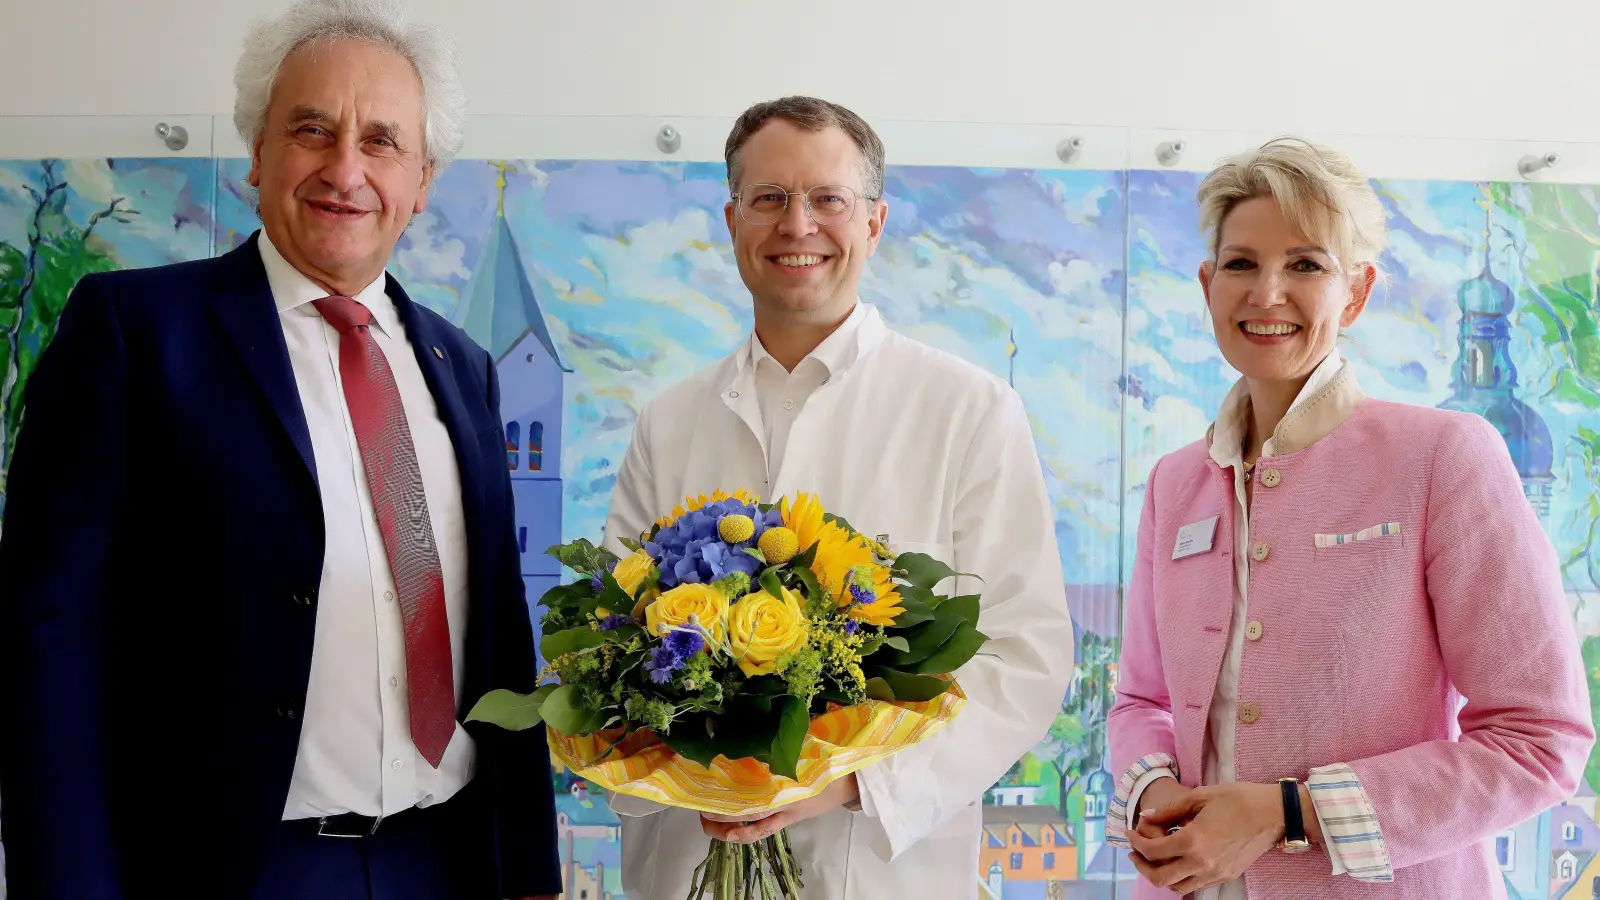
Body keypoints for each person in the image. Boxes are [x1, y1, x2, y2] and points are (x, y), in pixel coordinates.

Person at [0, 1, 560, 897]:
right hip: (227, 869)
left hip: (445, 862)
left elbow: (497, 631)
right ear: (258, 153)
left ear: (423, 179)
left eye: (382, 141)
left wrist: (531, 868)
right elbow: (46, 641)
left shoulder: (466, 367)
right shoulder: (137, 335)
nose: (346, 168)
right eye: (311, 129)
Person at [599, 95, 1075, 899]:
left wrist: (847, 783)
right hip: (689, 866)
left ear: (875, 222)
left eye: (829, 199)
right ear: (731, 218)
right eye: (769, 199)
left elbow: (1023, 659)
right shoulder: (669, 421)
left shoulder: (968, 409)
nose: (798, 225)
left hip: (884, 867)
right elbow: (613, 638)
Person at [1107, 138, 1595, 898]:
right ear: (1208, 285)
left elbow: (1540, 741)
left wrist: (1289, 813)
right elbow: (1142, 700)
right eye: (1241, 264)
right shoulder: (1175, 484)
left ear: (1357, 293)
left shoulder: (1444, 457)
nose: (1267, 293)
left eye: (1306, 265)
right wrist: (1153, 792)